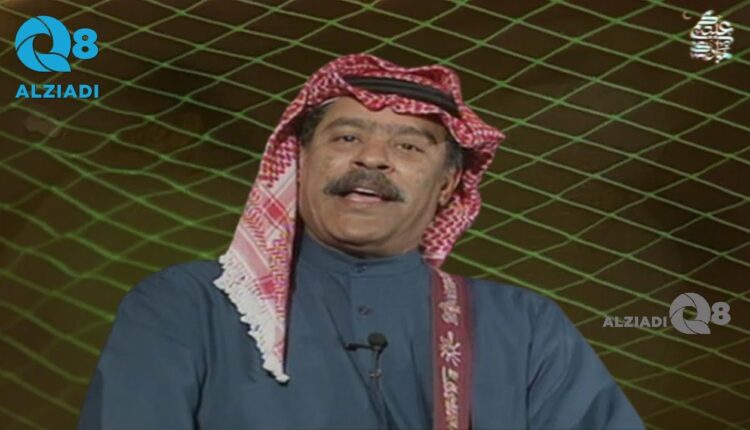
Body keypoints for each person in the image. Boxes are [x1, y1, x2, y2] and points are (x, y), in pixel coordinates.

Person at [78, 54, 644, 430]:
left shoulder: (525, 327)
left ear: (447, 186)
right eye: (347, 137)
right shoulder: (185, 305)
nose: (372, 158)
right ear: (299, 163)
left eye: (409, 147)